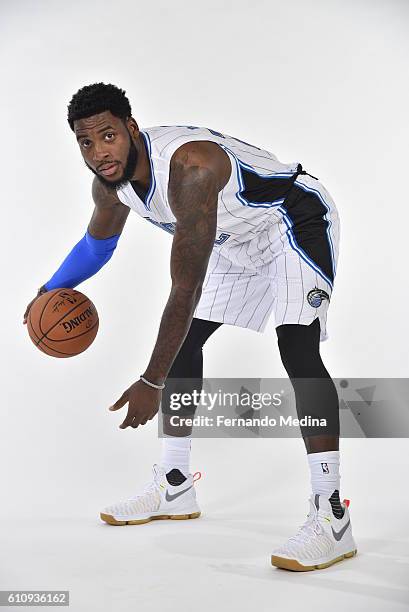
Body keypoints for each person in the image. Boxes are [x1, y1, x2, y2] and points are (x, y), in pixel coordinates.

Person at [23, 82, 356, 571]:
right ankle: (175, 484)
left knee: (296, 347)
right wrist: (48, 291)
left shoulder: (191, 169)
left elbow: (185, 290)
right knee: (188, 339)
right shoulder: (110, 184)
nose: (99, 152)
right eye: (86, 143)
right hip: (229, 236)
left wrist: (151, 381)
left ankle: (332, 517)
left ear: (131, 128)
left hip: (288, 221)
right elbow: (97, 247)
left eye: (109, 136)